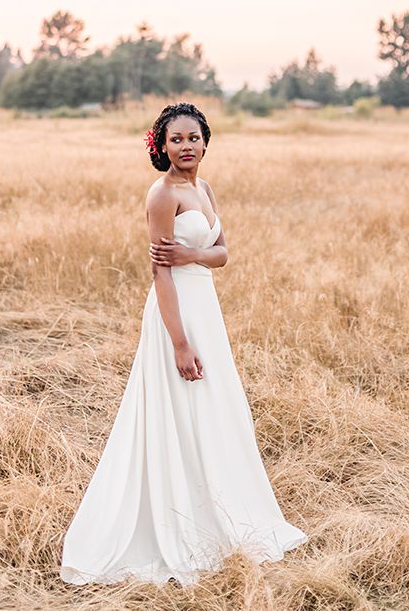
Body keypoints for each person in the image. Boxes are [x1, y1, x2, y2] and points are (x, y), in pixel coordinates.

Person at [60, 101, 307, 586]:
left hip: (206, 310)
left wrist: (195, 251)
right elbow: (161, 272)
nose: (187, 147)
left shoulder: (204, 187)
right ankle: (179, 521)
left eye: (194, 138)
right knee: (180, 406)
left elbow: (222, 254)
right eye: (176, 139)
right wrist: (178, 343)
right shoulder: (162, 195)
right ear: (162, 145)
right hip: (176, 315)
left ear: (206, 141)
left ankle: (223, 507)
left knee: (217, 408)